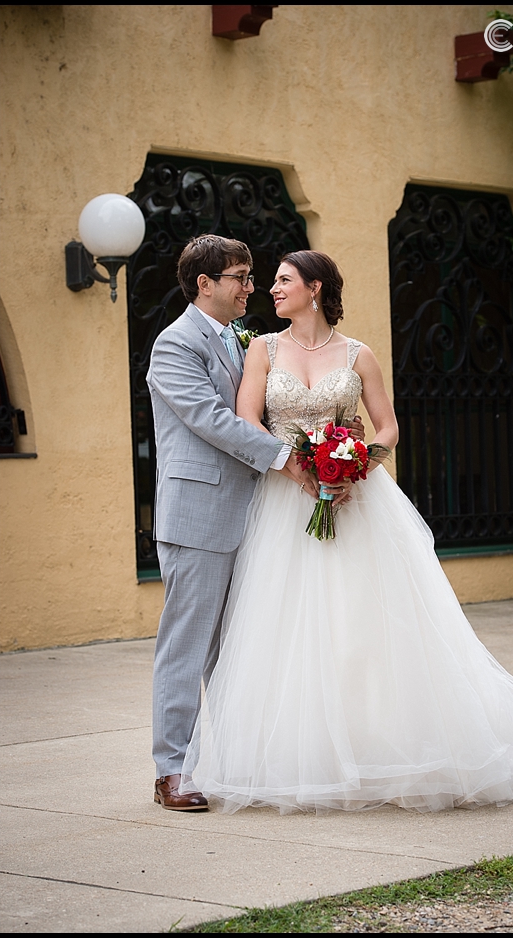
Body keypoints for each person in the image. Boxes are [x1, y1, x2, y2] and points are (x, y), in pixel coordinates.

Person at [180, 249, 513, 812]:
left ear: (315, 289)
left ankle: (380, 747)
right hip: (285, 499)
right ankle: (301, 757)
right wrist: (299, 467)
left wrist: (353, 466)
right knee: (290, 624)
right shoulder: (262, 350)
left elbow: (388, 427)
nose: (270, 290)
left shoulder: (358, 354)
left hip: (357, 499)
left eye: (282, 281)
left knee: (366, 623)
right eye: (268, 282)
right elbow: (248, 420)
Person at [145, 234, 359, 812]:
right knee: (189, 646)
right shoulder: (174, 345)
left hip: (262, 517)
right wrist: (290, 460)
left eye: (250, 275)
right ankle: (172, 771)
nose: (251, 287)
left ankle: (237, 762)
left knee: (242, 648)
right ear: (204, 284)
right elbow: (213, 419)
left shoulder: (247, 341)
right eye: (240, 277)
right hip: (200, 514)